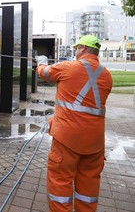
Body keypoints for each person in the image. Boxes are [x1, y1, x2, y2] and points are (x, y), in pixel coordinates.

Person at [36, 35, 112, 212]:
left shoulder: (68, 67)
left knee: (60, 182)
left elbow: (44, 73)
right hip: (95, 143)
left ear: (83, 48)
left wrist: (41, 61)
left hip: (67, 139)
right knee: (88, 189)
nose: (76, 51)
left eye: (77, 48)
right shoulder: (106, 75)